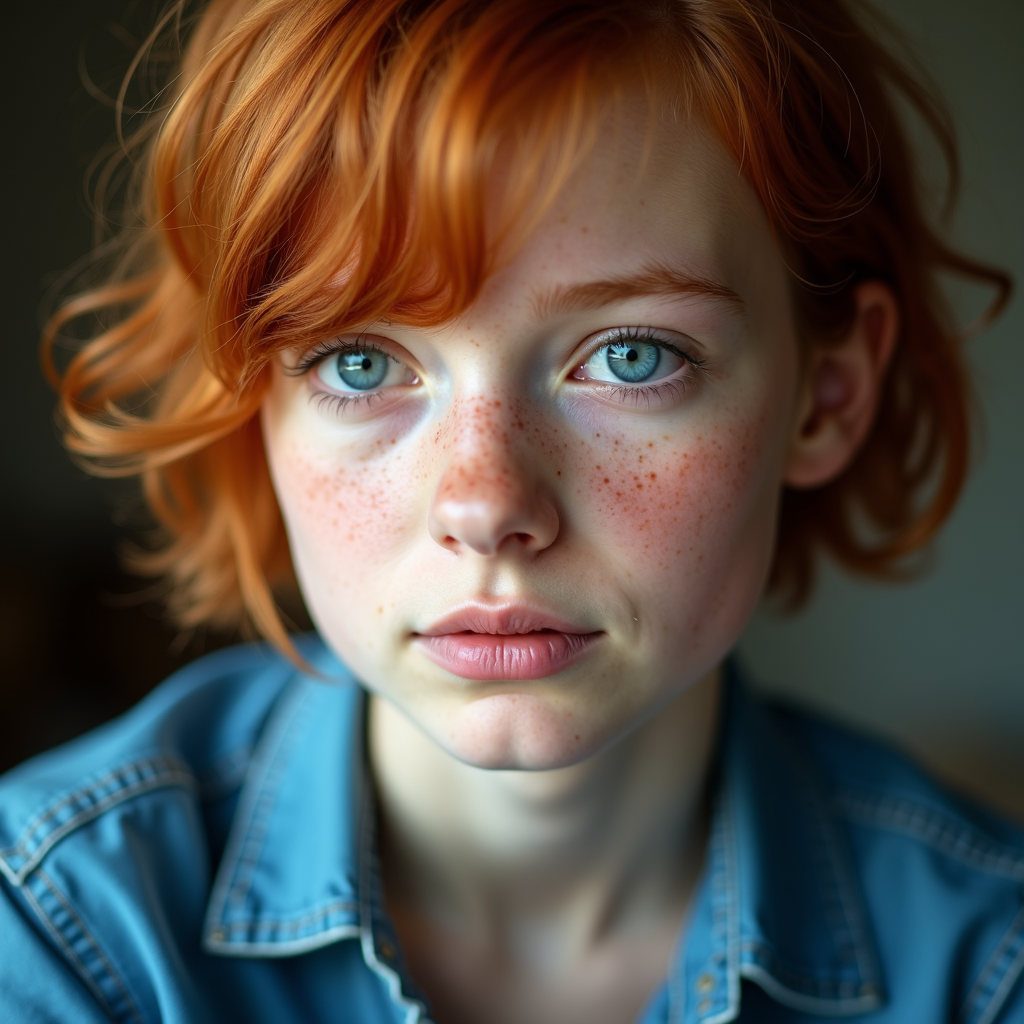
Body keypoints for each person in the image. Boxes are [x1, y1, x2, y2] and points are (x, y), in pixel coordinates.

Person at [1, 0, 1021, 1021]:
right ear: (255, 404)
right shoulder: (59, 929)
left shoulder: (987, 969)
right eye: (360, 362)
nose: (485, 506)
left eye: (632, 357)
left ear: (826, 393)